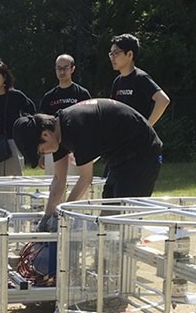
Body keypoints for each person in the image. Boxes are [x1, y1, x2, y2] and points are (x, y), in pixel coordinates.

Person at [13, 98, 163, 229]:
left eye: (41, 151)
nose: (44, 155)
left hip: (143, 154)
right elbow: (59, 179)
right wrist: (48, 215)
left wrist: (62, 214)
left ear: (45, 134)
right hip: (119, 157)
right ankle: (108, 257)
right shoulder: (57, 132)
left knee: (124, 218)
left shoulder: (76, 127)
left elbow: (85, 179)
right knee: (109, 213)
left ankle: (125, 257)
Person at [0, 60, 36, 177]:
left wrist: (23, 127)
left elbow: (32, 113)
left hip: (13, 142)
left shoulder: (16, 96)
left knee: (14, 180)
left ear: (4, 77)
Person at [38, 54, 92, 176]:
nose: (62, 72)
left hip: (76, 148)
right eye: (59, 68)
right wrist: (42, 154)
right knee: (55, 182)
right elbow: (42, 127)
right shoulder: (49, 97)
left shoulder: (82, 94)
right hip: (53, 147)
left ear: (72, 69)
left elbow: (90, 122)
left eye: (65, 68)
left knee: (77, 183)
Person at [108, 34, 170, 127]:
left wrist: (147, 127)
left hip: (138, 139)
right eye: (111, 53)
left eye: (116, 53)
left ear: (129, 54)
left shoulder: (140, 78)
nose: (112, 58)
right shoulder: (117, 82)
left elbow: (163, 100)